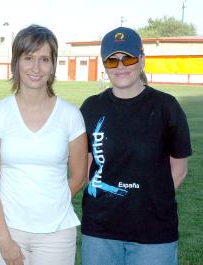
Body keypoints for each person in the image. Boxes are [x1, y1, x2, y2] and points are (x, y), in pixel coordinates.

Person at [80, 27, 192, 265]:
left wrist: (150, 199)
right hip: (100, 230)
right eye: (112, 61)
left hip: (154, 232)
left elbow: (180, 168)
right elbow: (87, 163)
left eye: (128, 58)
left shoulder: (166, 107)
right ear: (104, 65)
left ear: (142, 59)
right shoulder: (91, 108)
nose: (120, 67)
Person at [0, 24, 88, 265]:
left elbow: (80, 176)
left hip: (57, 233)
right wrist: (4, 240)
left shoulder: (70, 115)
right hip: (6, 230)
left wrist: (52, 203)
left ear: (53, 66)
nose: (36, 68)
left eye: (44, 59)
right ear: (16, 62)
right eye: (28, 58)